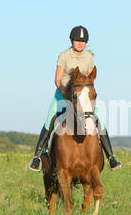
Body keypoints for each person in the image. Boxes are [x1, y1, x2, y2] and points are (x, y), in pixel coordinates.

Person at [28, 25, 122, 172]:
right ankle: (37, 157)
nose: (80, 43)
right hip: (62, 95)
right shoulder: (64, 56)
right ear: (72, 40)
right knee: (50, 120)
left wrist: (85, 95)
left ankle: (110, 157)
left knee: (99, 120)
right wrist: (65, 94)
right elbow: (57, 80)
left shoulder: (89, 57)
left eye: (83, 41)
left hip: (82, 97)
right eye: (78, 40)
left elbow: (90, 78)